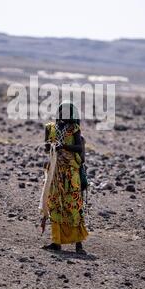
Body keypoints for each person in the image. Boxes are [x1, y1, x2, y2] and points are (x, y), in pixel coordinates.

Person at [41, 101, 88, 254]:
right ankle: (56, 242)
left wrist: (63, 147)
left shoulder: (74, 129)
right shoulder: (50, 128)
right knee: (54, 204)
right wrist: (50, 146)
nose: (64, 114)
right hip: (55, 172)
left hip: (70, 173)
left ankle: (79, 245)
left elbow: (79, 147)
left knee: (73, 206)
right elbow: (47, 147)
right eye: (62, 111)